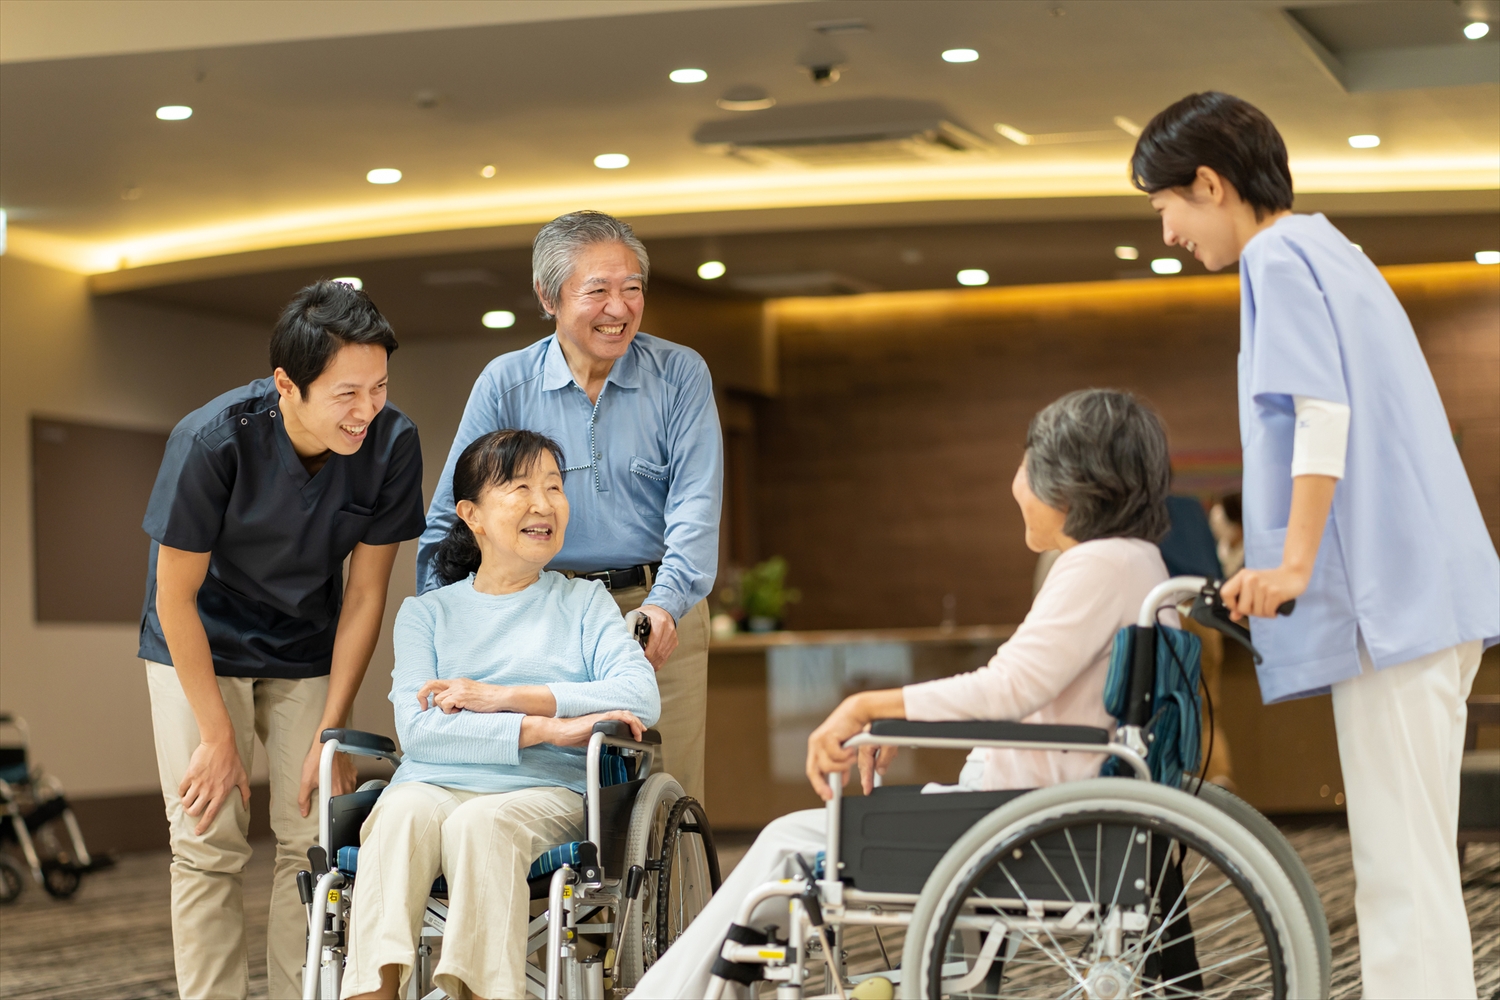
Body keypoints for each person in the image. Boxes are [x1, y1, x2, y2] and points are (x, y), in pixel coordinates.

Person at [1132, 91, 1500, 1000]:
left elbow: (1319, 416)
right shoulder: (1335, 250)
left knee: (1397, 865)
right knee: (1414, 858)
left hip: (1392, 606)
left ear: (1210, 184)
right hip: (1424, 595)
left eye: (1165, 206)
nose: (1168, 231)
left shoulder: (1280, 257)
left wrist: (1292, 564)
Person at [633, 389, 1177, 997]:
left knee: (785, 843)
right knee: (793, 842)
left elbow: (1010, 689)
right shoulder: (1139, 563)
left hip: (1020, 827)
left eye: (1027, 464)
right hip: (1044, 815)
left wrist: (870, 706)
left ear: (1071, 483)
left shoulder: (1096, 564)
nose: (1017, 483)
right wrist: (900, 722)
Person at [139, 280, 426, 999]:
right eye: (346, 394)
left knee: (314, 840)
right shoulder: (212, 440)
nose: (366, 411)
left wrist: (333, 730)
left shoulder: (392, 443)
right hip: (199, 642)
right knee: (207, 841)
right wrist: (215, 734)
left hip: (306, 646)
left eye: (379, 388)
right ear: (286, 385)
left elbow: (366, 594)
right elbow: (173, 596)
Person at [342, 429, 659, 1000]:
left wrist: (503, 697)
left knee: (481, 824)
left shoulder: (584, 602)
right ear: (472, 515)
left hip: (542, 793)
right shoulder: (426, 615)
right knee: (397, 817)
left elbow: (638, 696)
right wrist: (544, 729)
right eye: (521, 488)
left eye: (555, 488)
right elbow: (418, 733)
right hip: (433, 784)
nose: (544, 505)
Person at [417, 210, 721, 803]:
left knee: (672, 798)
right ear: (548, 296)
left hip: (654, 609)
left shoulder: (679, 375)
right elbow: (452, 519)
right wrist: (443, 626)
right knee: (548, 795)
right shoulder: (506, 385)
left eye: (632, 289)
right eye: (598, 290)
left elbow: (696, 507)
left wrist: (665, 607)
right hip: (541, 615)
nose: (619, 307)